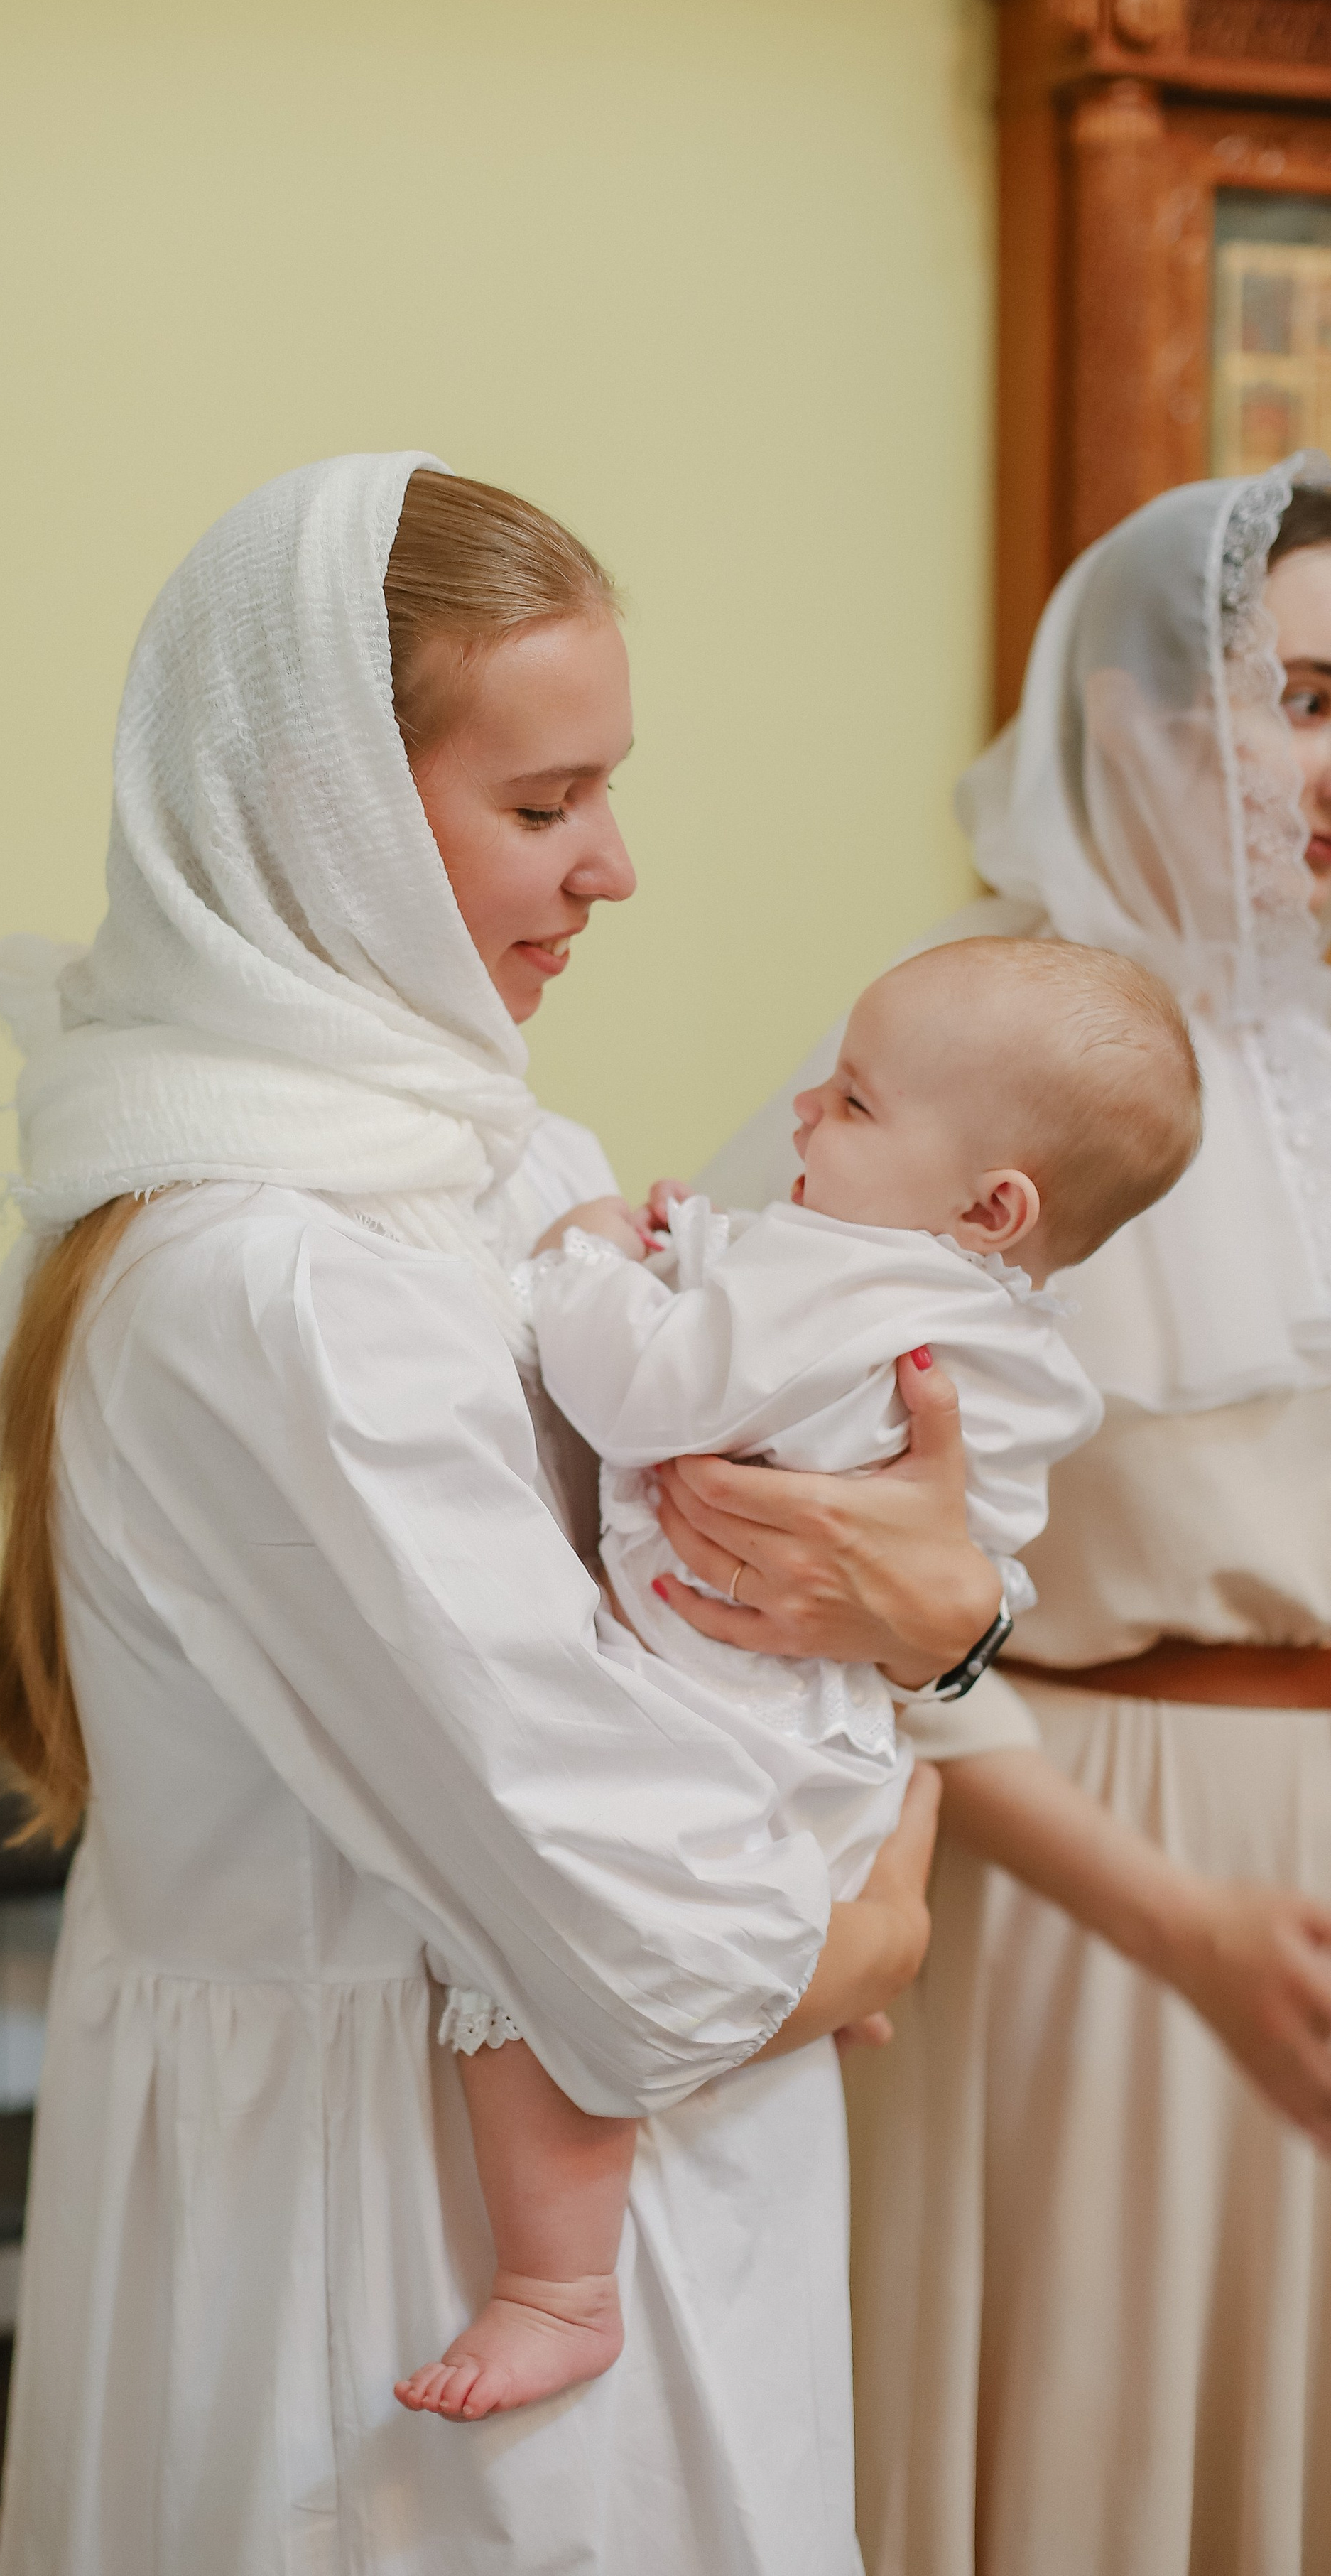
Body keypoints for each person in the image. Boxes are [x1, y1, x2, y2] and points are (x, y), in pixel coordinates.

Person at [0, 455, 998, 2576]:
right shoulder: (272, 1280)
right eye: (542, 804)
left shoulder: (492, 1162)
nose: (614, 865)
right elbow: (630, 1915)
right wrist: (877, 1915)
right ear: (323, 813)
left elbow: (720, 1625)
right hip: (399, 2226)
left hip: (597, 2153)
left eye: (604, 790)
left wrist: (926, 1618)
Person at [697, 455, 1331, 2576]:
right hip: (1087, 1863)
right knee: (1093, 2435)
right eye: (1306, 701)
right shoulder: (967, 1057)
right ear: (1138, 720)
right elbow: (815, 1576)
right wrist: (1174, 1923)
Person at [398, 934, 1202, 2424]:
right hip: (829, 1734)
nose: (803, 1113)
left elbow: (645, 1387)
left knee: (528, 1971)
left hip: (716, 1718)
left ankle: (557, 2287)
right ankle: (816, 1968)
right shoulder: (1000, 1333)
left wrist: (586, 1256)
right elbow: (939, 1513)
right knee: (737, 1957)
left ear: (989, 1204)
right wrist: (698, 1251)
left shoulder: (852, 1285)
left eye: (853, 1102)